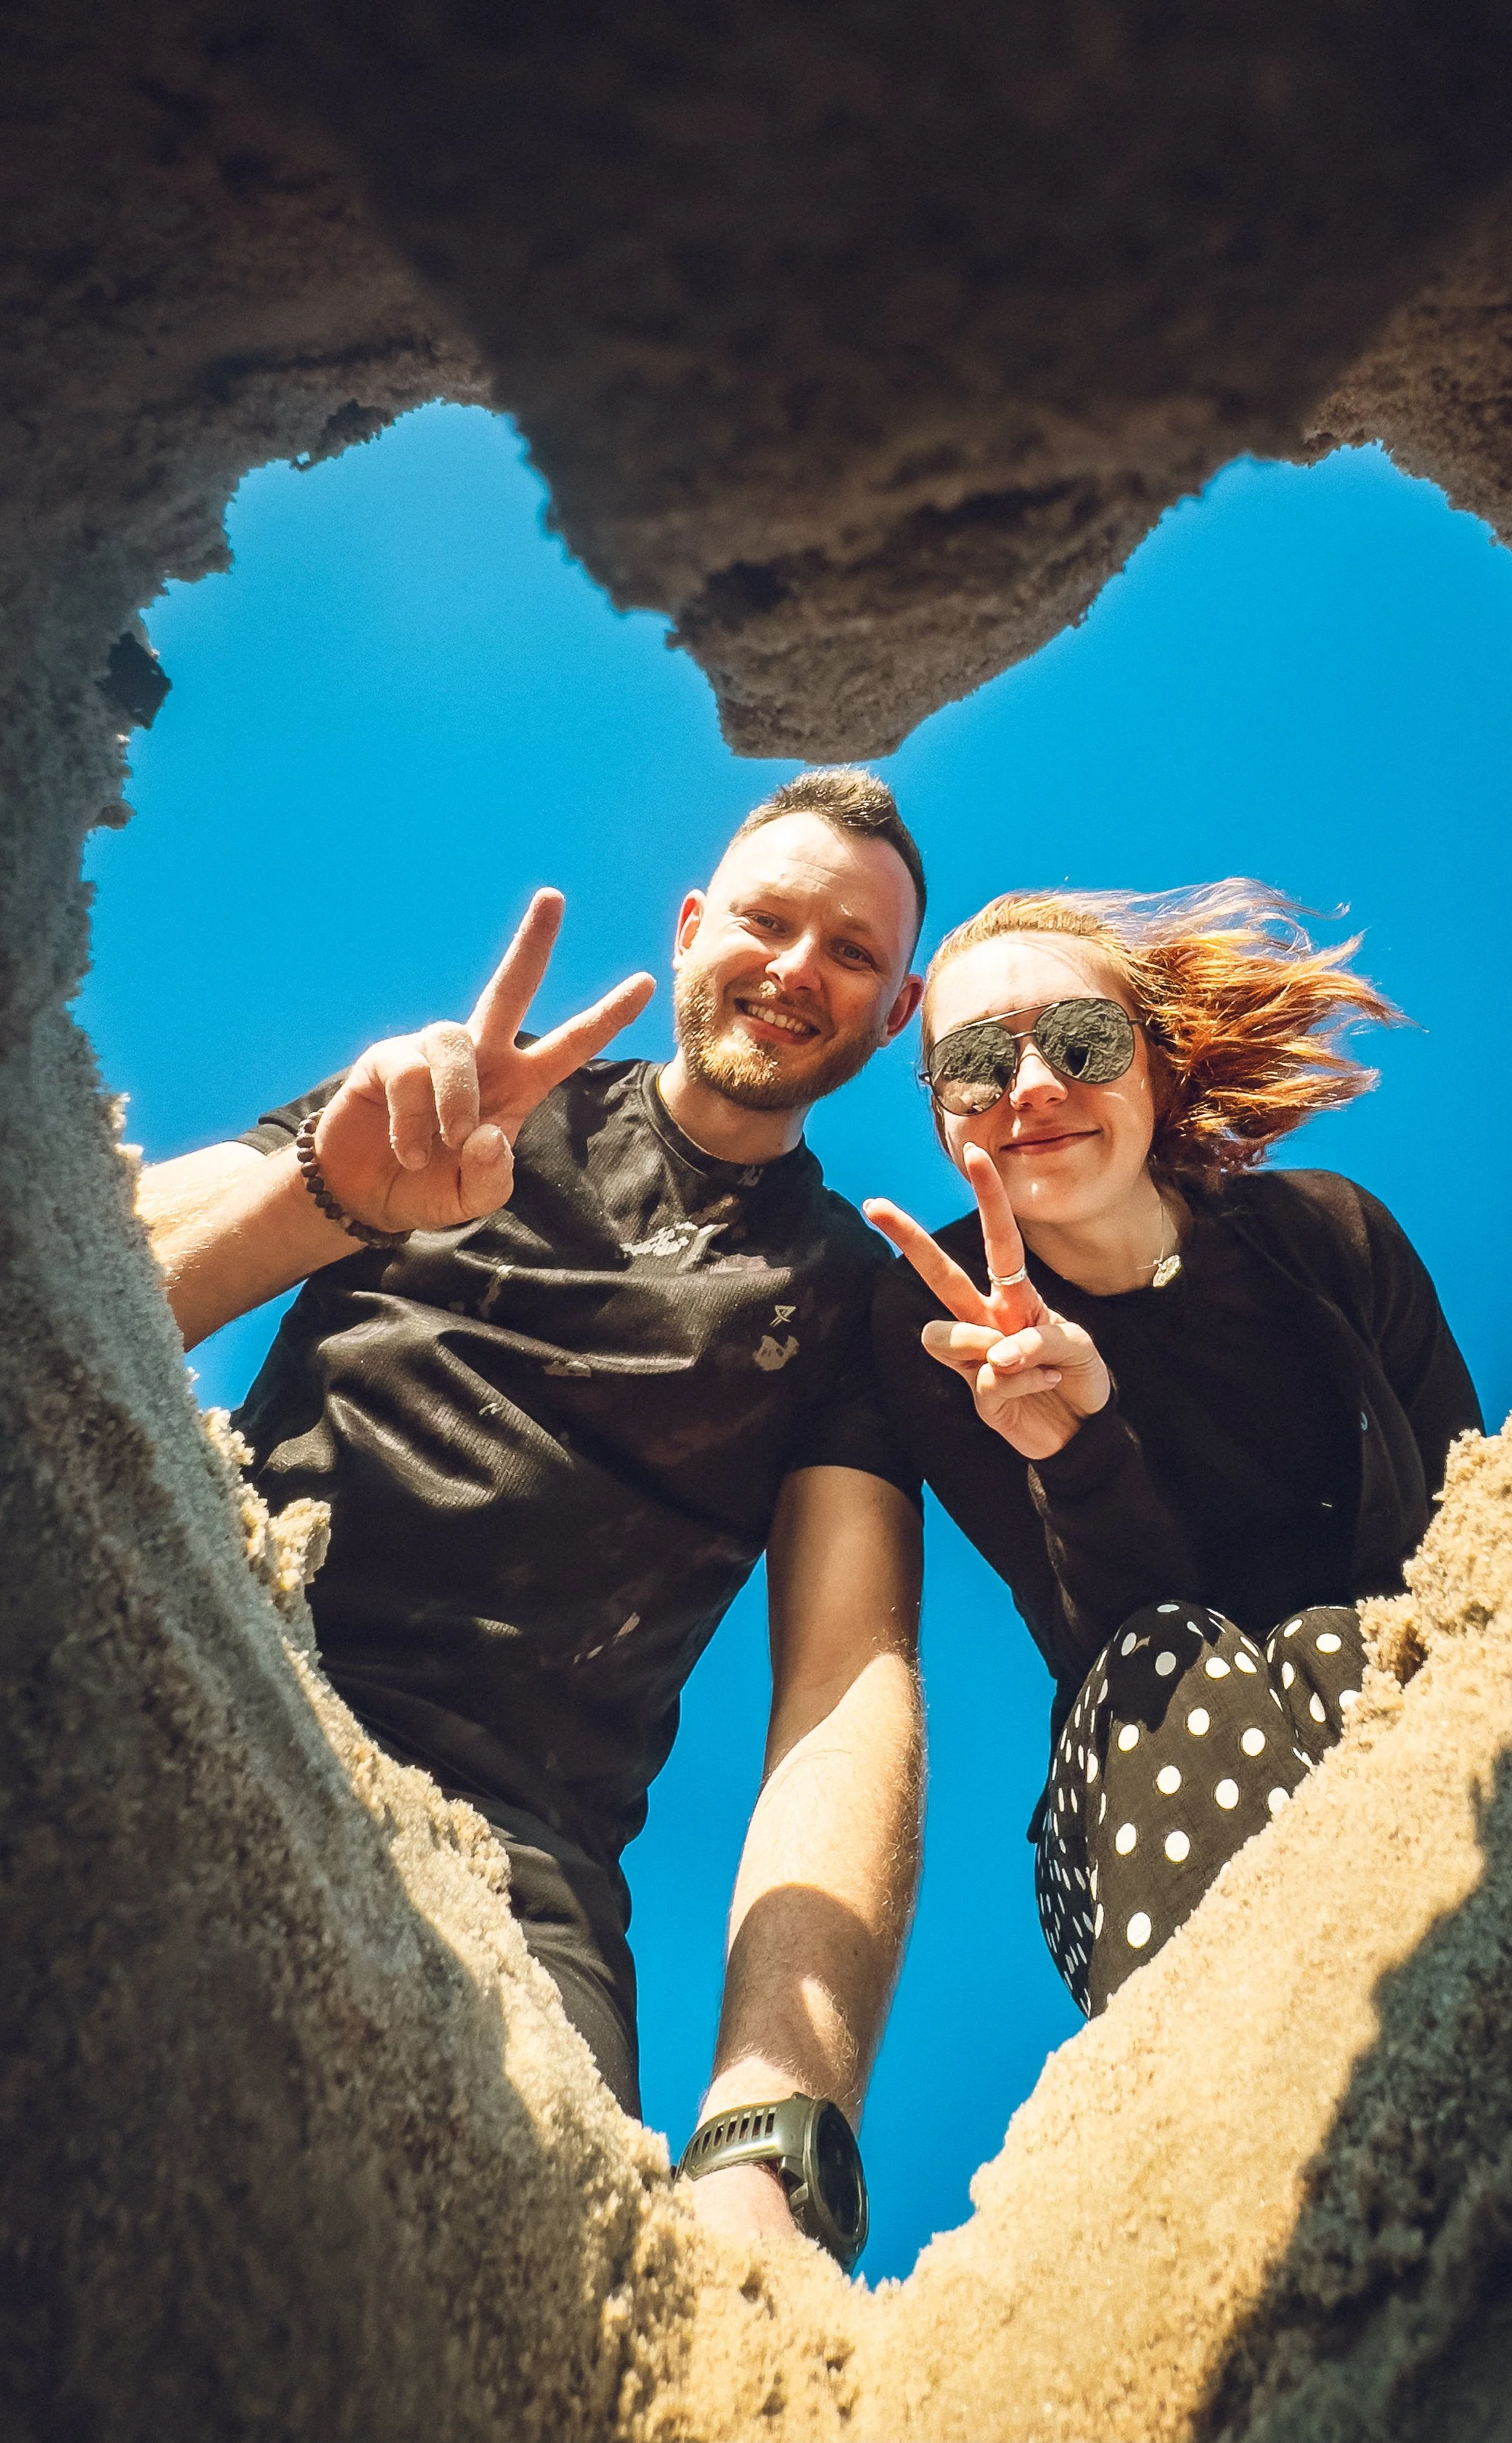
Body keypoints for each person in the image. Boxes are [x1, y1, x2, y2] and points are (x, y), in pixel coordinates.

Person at [139, 768, 928, 2252]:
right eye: (766, 919)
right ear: (694, 926)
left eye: (850, 952)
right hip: (215, 1627)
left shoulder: (847, 1307)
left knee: (544, 2281)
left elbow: (845, 1683)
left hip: (514, 1857)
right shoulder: (462, 1098)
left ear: (893, 1013)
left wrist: (772, 2132)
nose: (794, 968)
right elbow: (80, 1276)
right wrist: (332, 1192)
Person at [866, 882, 1482, 2017]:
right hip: (1142, 1782)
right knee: (1169, 1658)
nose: (1034, 1087)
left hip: (1413, 1716)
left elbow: (1473, 1536)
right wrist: (1077, 1448)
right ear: (945, 1117)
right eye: (975, 1064)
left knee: (1343, 1644)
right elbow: (1104, 1638)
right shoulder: (942, 1335)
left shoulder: (1331, 1236)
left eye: (1082, 1040)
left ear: (1156, 1064)